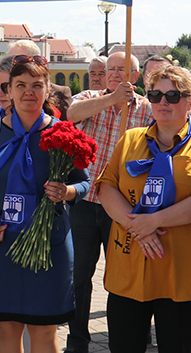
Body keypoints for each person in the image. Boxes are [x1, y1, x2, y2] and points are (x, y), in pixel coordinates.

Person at [0, 57, 89, 353]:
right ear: (9, 89)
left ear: (46, 90)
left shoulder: (63, 133)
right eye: (21, 85)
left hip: (49, 243)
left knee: (44, 332)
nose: (28, 92)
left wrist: (67, 191)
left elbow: (85, 183)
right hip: (0, 241)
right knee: (6, 331)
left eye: (36, 85)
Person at [99, 65, 191, 353]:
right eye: (155, 95)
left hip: (178, 273)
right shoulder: (131, 139)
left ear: (189, 101)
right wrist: (139, 227)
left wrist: (152, 221)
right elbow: (106, 187)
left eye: (173, 95)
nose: (163, 102)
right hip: (128, 268)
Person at [65, 51, 152, 353]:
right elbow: (71, 114)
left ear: (136, 77)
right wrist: (111, 98)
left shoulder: (147, 110)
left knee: (124, 276)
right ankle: (78, 339)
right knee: (79, 276)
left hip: (126, 205)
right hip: (86, 201)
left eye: (123, 70)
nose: (115, 74)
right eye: (111, 69)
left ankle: (131, 336)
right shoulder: (91, 97)